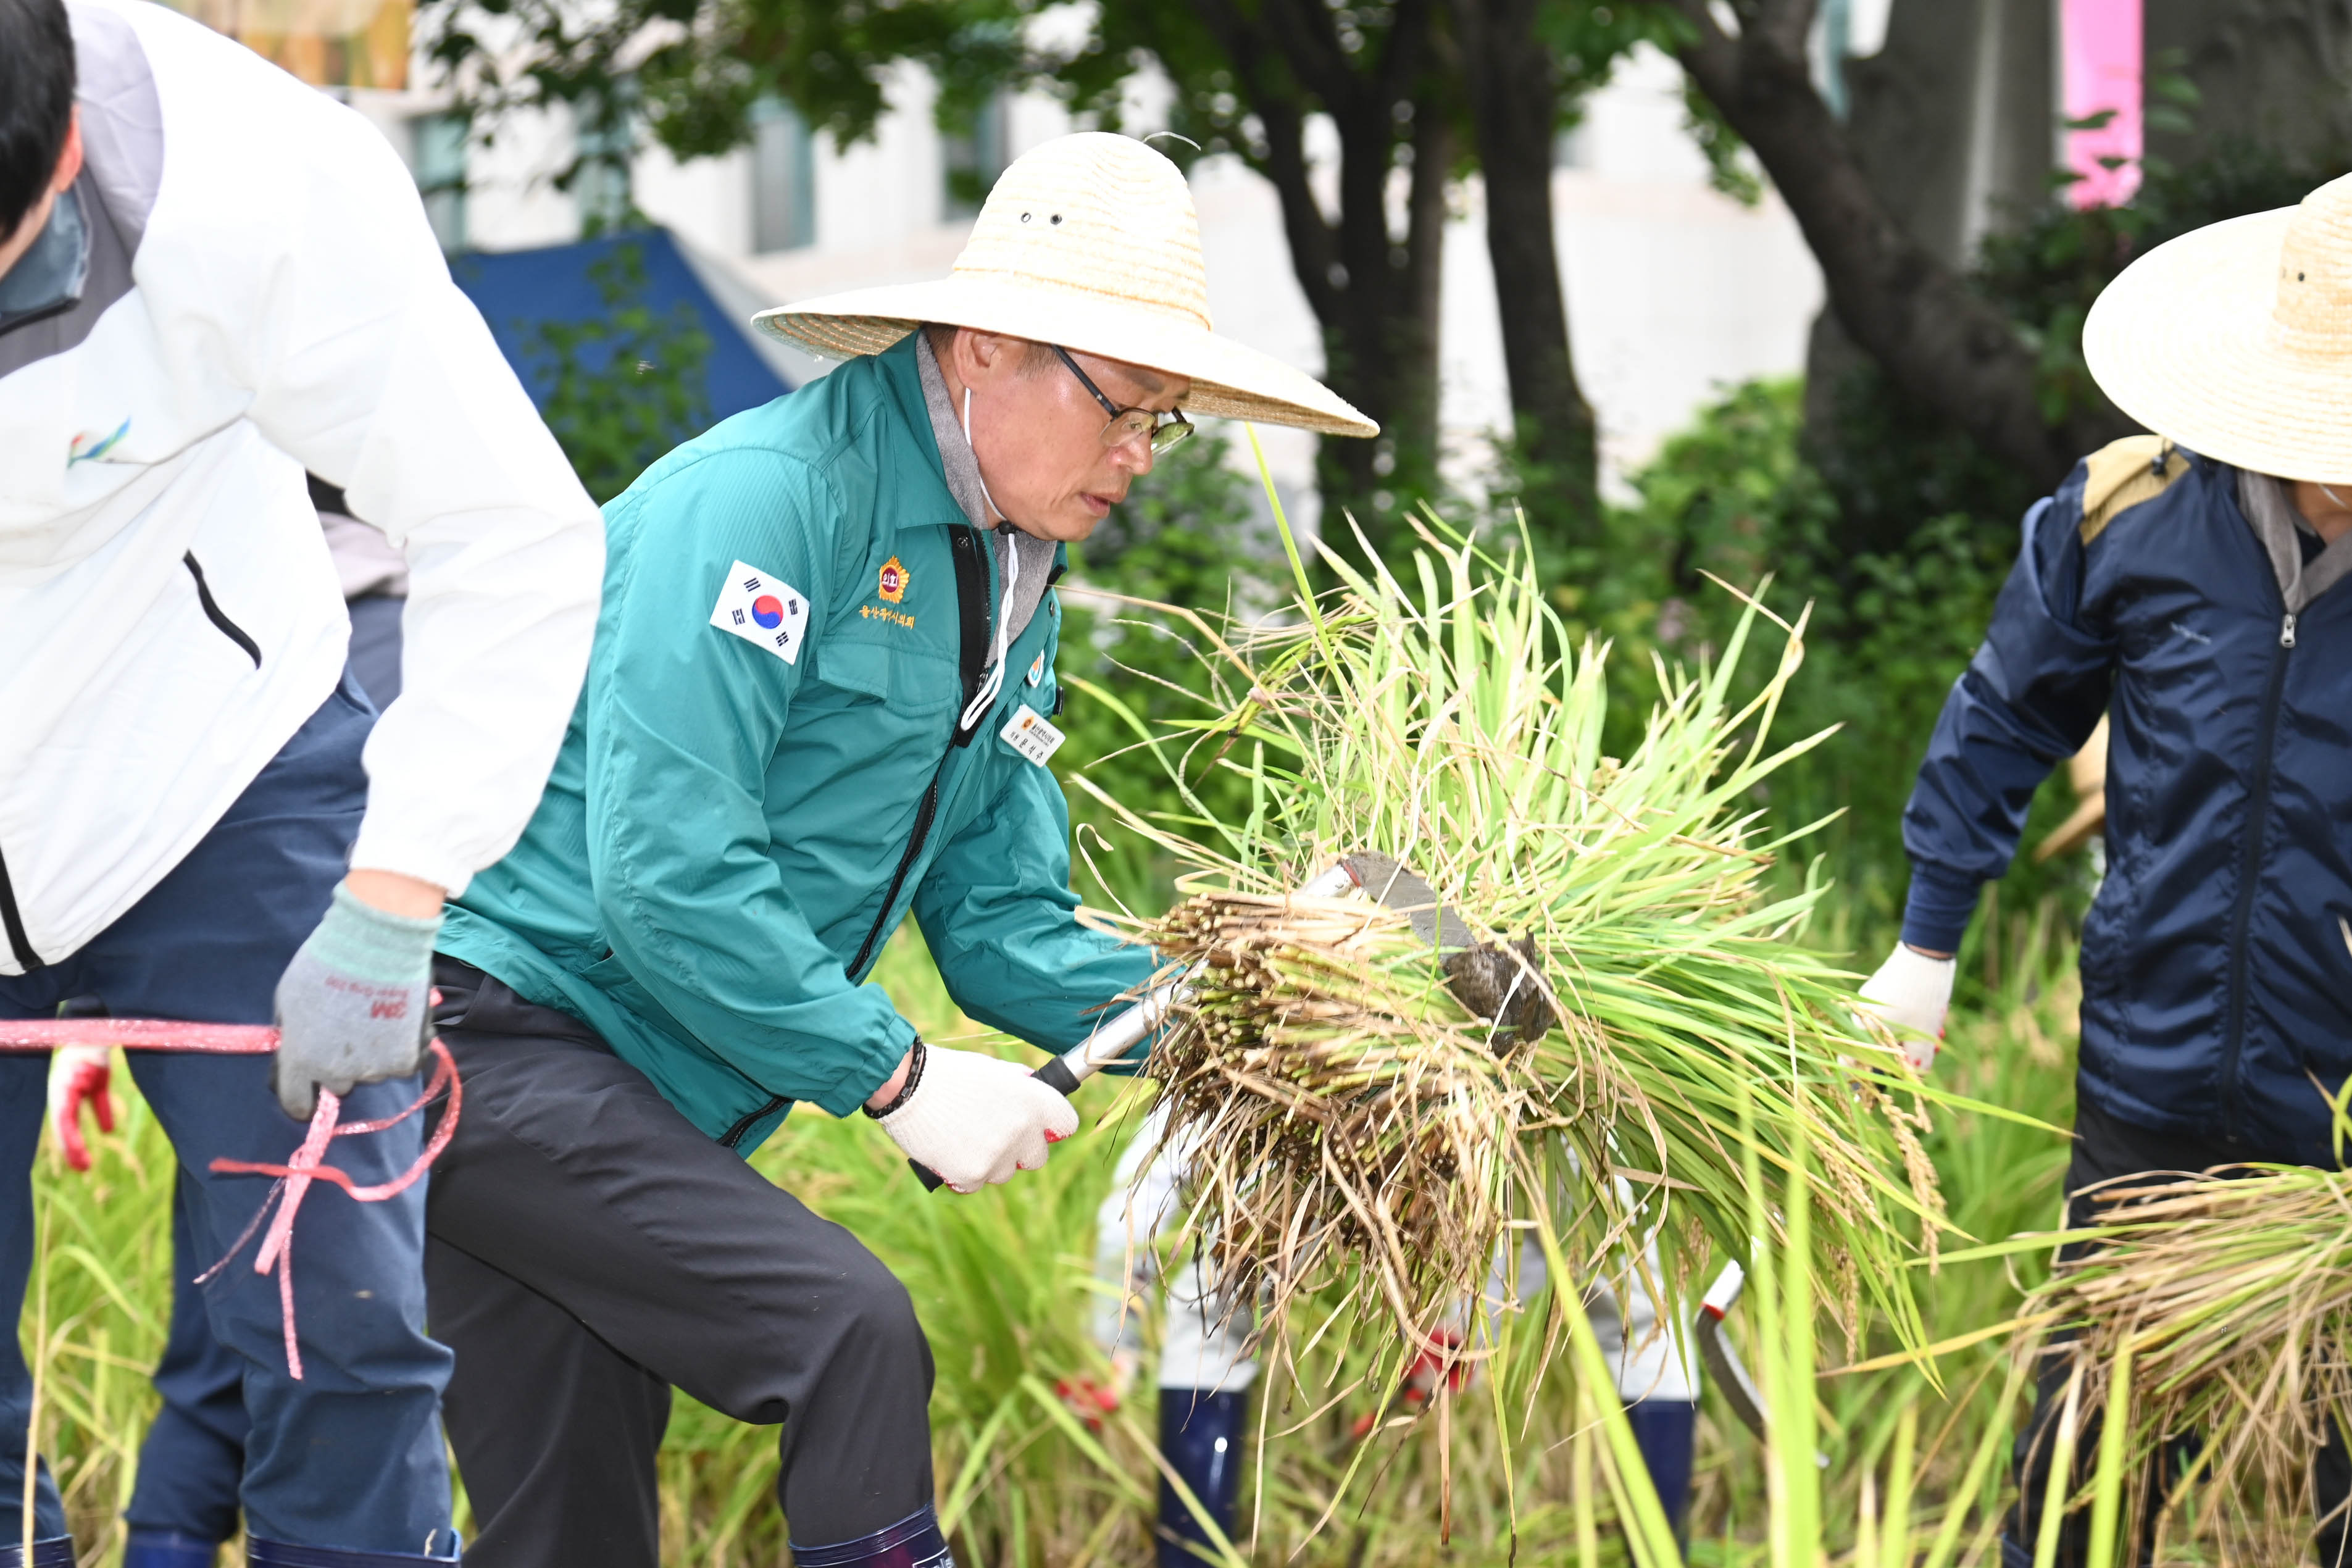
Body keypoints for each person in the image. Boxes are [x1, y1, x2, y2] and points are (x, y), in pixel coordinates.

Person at [417, 130, 1375, 1568]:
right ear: (987, 348)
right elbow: (667, 873)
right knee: (850, 1333)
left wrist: (1254, 1007)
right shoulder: (760, 505)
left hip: (632, 1089)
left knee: (570, 1533)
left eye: (1162, 422)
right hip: (492, 1043)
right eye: (1123, 406)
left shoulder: (1004, 574)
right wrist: (899, 1074)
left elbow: (999, 923)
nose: (1136, 456)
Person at [0, 0, 606, 1560]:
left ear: (58, 152)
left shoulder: (257, 181)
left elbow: (510, 524)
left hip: (210, 757)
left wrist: (401, 889)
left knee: (325, 1312)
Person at [1859, 172, 2352, 1567]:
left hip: (2345, 1116)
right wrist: (1926, 943)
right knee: (2083, 1482)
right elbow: (2005, 717)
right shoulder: (2126, 516)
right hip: (2147, 1087)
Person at [1080, 1107, 1701, 1564]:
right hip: (1332, 1103)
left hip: (1334, 1101)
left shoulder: (1242, 1015)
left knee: (1214, 1304)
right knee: (1642, 1314)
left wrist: (1116, 1342)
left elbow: (1134, 1208)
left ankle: (1188, 1556)